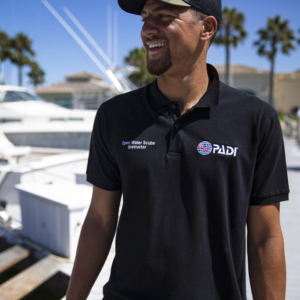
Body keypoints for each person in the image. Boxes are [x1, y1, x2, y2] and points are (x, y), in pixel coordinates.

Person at [66, 0, 289, 299]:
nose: (147, 29)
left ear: (207, 28)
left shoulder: (256, 119)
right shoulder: (114, 116)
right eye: (145, 17)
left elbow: (265, 236)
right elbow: (99, 220)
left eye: (163, 16)